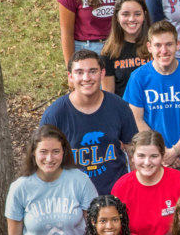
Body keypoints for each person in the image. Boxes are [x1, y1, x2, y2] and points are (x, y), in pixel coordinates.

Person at [7, 125, 98, 235]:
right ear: (33, 152)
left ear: (64, 152)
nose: (49, 158)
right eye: (43, 152)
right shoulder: (20, 188)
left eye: (55, 151)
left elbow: (94, 230)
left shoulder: (80, 181)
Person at [41, 51, 139, 195]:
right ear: (70, 76)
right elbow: (44, 163)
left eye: (92, 71)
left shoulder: (119, 107)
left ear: (102, 73)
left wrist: (136, 190)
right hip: (73, 198)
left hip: (116, 195)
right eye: (79, 72)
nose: (86, 78)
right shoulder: (55, 115)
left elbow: (134, 153)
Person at [125, 20, 180, 173]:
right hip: (152, 158)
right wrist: (162, 152)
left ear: (177, 45)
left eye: (169, 44)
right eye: (158, 45)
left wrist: (176, 151)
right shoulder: (138, 77)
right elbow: (136, 119)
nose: (164, 51)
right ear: (149, 47)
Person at [111, 130, 180, 235]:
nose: (147, 162)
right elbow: (116, 232)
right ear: (132, 157)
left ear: (162, 156)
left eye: (154, 156)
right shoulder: (121, 187)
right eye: (141, 156)